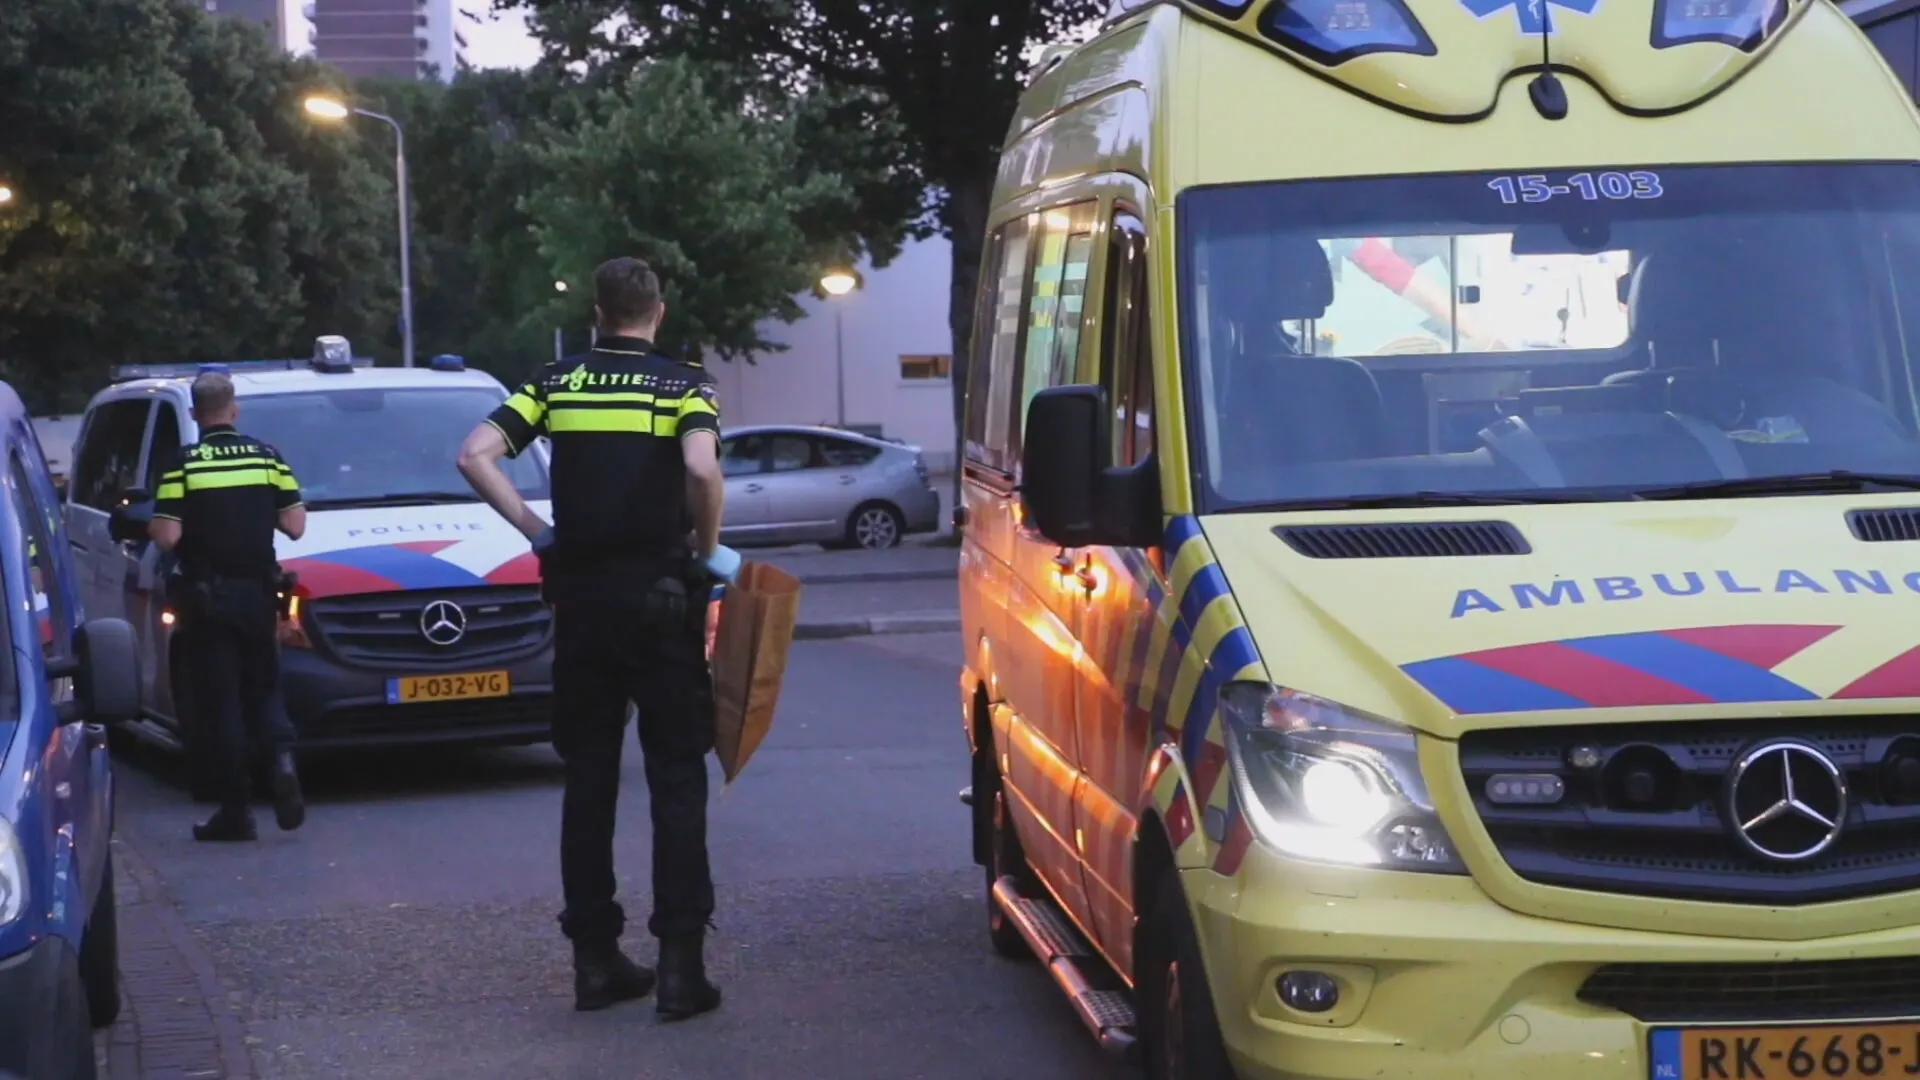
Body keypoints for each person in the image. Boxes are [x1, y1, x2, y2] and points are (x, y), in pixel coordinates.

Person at [456, 256, 728, 1020]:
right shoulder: (683, 385)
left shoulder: (556, 382)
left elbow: (473, 454)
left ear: (598, 316)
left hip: (580, 599)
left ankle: (596, 960)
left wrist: (539, 532)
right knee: (676, 778)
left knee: (590, 779)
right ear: (657, 313)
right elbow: (702, 470)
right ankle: (681, 967)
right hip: (663, 599)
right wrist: (706, 550)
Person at [149, 371, 308, 842]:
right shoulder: (267, 457)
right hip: (259, 594)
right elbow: (295, 525)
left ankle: (236, 813)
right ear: (234, 409)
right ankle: (282, 762)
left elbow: (168, 535)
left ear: (197, 415)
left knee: (222, 702)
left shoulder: (185, 464)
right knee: (265, 687)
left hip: (208, 600)